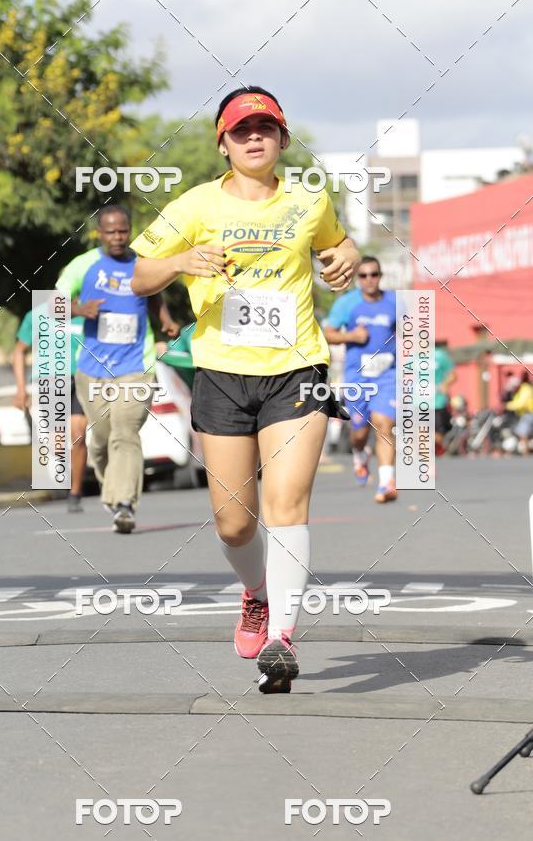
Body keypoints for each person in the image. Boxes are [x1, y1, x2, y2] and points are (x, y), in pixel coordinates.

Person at [131, 85, 359, 692]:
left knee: (287, 504)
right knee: (235, 524)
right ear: (223, 144)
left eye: (265, 128)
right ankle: (256, 592)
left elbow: (337, 242)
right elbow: (140, 277)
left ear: (282, 138)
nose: (254, 137)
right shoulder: (193, 206)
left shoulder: (309, 200)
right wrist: (179, 263)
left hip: (297, 370)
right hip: (222, 374)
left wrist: (345, 254)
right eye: (241, 130)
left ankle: (281, 638)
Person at [57, 204, 179, 533]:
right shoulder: (83, 265)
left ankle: (124, 503)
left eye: (123, 231)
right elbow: (51, 303)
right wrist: (79, 308)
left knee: (126, 430)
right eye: (110, 232)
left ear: (130, 230)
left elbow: (153, 293)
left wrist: (165, 319)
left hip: (136, 365)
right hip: (92, 368)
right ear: (99, 233)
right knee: (101, 439)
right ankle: (112, 487)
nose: (118, 237)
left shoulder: (142, 262)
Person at [323, 256, 397, 503]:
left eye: (374, 274)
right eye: (363, 276)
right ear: (358, 279)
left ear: (380, 276)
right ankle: (359, 454)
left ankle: (386, 483)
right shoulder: (347, 303)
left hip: (387, 375)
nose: (369, 280)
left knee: (383, 424)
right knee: (359, 433)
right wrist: (352, 336)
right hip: (357, 377)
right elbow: (328, 334)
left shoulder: (394, 302)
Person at [13, 309, 87, 513]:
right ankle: (65, 471)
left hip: (81, 379)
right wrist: (21, 389)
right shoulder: (37, 315)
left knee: (79, 436)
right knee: (58, 443)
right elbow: (19, 351)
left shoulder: (87, 313)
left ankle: (75, 493)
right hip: (50, 381)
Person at [434, 340, 456, 454]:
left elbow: (453, 374)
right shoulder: (413, 356)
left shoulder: (440, 355)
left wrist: (444, 384)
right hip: (417, 401)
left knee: (437, 434)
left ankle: (441, 448)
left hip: (437, 401)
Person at [506, 371, 533, 454]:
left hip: (528, 413)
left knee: (523, 434)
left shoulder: (525, 388)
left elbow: (522, 403)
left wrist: (508, 405)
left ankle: (525, 451)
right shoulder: (527, 388)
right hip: (526, 413)